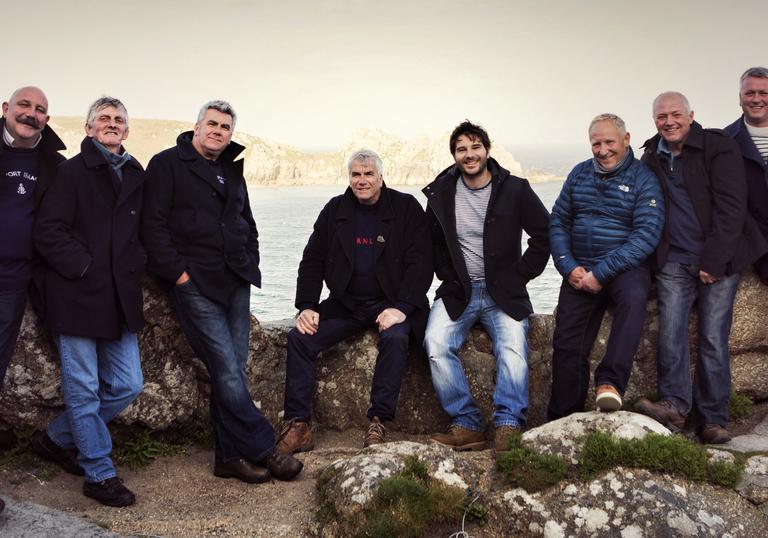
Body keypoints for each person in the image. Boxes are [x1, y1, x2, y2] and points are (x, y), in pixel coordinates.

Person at [142, 100, 302, 482]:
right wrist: (179, 275)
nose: (218, 131)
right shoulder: (166, 164)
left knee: (233, 369)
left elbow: (246, 220)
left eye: (225, 127)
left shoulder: (230, 169)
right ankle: (265, 447)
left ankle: (228, 457)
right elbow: (153, 227)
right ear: (196, 127)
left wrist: (251, 258)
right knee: (228, 368)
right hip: (195, 282)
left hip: (236, 280)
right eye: (211, 124)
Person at [276, 149, 432, 453]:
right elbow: (312, 260)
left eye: (368, 174)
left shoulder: (405, 208)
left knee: (397, 339)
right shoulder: (335, 210)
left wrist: (401, 308)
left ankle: (378, 420)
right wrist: (307, 305)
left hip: (392, 302)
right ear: (349, 178)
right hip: (346, 303)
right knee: (300, 338)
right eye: (356, 175)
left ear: (381, 176)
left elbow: (422, 262)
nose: (362, 181)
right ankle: (299, 425)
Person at [635, 92, 767, 444]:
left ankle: (713, 419)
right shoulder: (652, 156)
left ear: (691, 116)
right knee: (671, 331)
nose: (669, 121)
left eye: (675, 114)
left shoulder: (717, 147)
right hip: (675, 259)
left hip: (720, 256)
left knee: (712, 337)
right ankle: (675, 407)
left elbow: (732, 208)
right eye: (661, 116)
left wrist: (714, 261)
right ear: (655, 121)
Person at [32, 97, 145, 506]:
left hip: (119, 298)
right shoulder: (71, 172)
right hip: (76, 295)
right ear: (89, 129)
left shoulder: (135, 172)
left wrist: (136, 263)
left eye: (118, 120)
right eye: (104, 119)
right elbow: (47, 231)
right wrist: (85, 266)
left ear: (126, 132)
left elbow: (141, 231)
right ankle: (98, 472)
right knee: (83, 391)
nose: (112, 124)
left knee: (129, 383)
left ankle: (56, 437)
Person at [423, 120, 550, 452]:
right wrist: (447, 274)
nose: (469, 154)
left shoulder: (515, 189)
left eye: (475, 147)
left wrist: (520, 274)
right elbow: (433, 242)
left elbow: (544, 235)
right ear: (454, 155)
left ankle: (508, 423)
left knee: (512, 349)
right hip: (458, 291)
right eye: (461, 149)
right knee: (435, 343)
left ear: (487, 149)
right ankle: (467, 424)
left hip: (503, 292)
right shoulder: (440, 192)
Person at [547, 113, 663, 419]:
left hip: (625, 268)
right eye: (596, 143)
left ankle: (609, 383)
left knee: (634, 300)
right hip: (579, 268)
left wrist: (602, 273)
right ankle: (562, 416)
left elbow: (647, 234)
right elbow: (559, 221)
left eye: (609, 142)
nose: (602, 150)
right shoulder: (579, 174)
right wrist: (568, 266)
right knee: (566, 344)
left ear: (626, 140)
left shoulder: (644, 179)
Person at [0, 86, 65, 514]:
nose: (32, 114)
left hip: (15, 281)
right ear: (6, 109)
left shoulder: (54, 165)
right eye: (24, 105)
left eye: (40, 110)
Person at [724, 67, 768, 281]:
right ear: (740, 98)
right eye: (750, 93)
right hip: (757, 242)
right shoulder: (724, 142)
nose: (756, 99)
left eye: (764, 93)